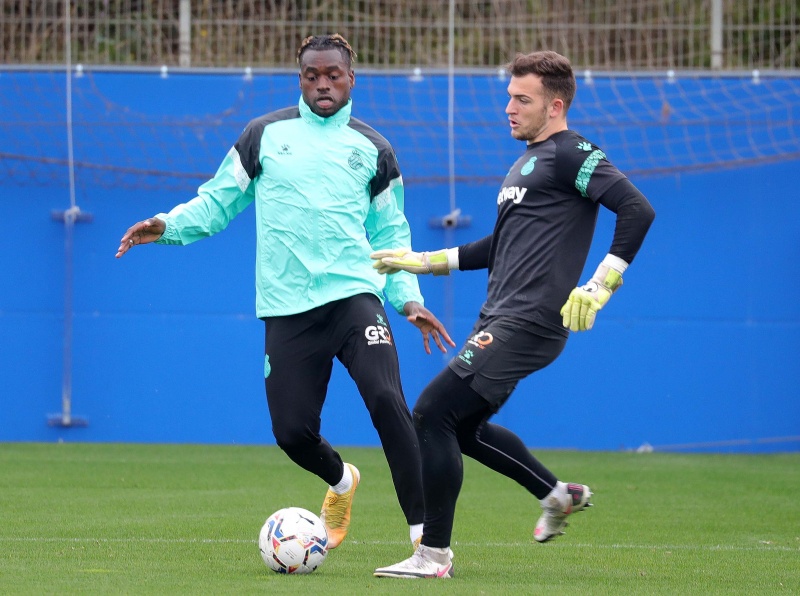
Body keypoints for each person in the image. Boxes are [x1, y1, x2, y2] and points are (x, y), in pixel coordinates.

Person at [115, 33, 455, 552]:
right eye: (312, 76)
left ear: (351, 79)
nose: (323, 84)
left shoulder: (375, 149)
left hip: (355, 297)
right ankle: (341, 480)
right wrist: (166, 225)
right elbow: (216, 202)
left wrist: (409, 300)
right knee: (292, 433)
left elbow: (392, 236)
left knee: (387, 398)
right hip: (288, 307)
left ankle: (424, 539)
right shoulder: (263, 135)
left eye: (333, 75)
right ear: (300, 80)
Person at [370, 50, 655, 579]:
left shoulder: (572, 153)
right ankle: (556, 495)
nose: (509, 108)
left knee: (432, 412)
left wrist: (601, 285)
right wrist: (422, 261)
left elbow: (637, 208)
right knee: (462, 428)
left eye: (522, 99)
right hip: (499, 317)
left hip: (529, 320)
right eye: (509, 97)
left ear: (555, 106)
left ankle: (433, 556)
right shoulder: (527, 162)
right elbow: (498, 245)